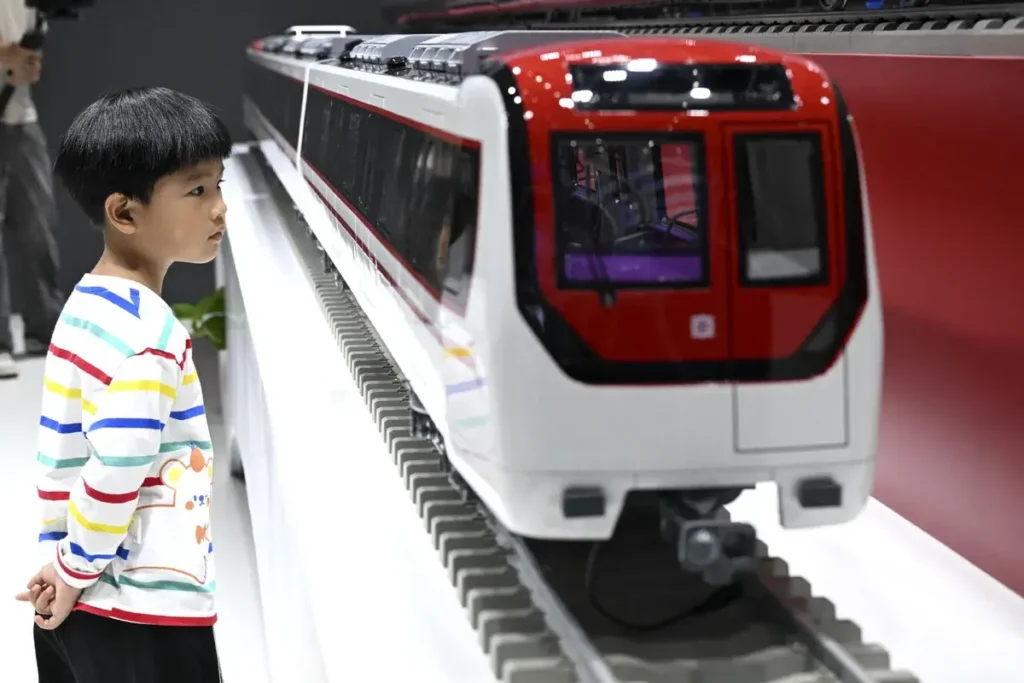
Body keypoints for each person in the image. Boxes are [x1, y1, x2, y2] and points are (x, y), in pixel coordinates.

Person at [13, 86, 231, 683]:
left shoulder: (86, 304)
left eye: (219, 185)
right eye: (197, 190)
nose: (219, 208)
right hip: (139, 609)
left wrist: (66, 568)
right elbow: (116, 469)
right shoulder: (148, 338)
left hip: (80, 594)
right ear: (125, 213)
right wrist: (76, 570)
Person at [0, 0, 64, 379]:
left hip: (20, 117)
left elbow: (28, 57)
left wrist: (27, 64)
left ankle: (46, 330)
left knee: (38, 227)